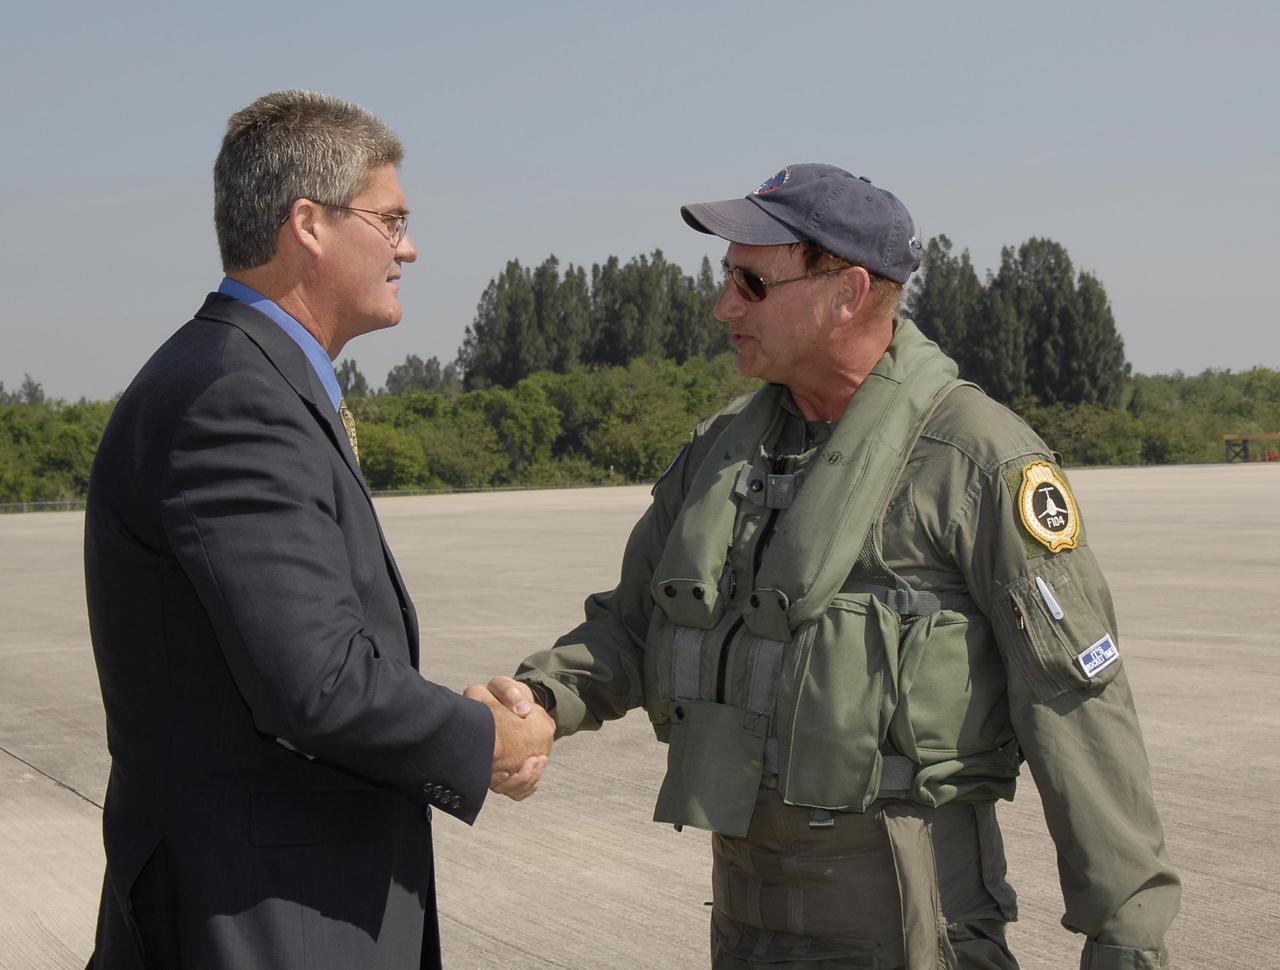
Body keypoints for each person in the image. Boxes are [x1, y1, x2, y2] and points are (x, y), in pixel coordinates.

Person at [479, 164, 1180, 969]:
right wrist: (535, 700)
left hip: (911, 924)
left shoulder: (977, 463)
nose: (724, 306)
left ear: (847, 292)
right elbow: (633, 626)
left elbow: (1078, 707)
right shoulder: (719, 457)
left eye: (751, 281)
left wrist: (1124, 941)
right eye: (725, 278)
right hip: (748, 917)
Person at [83, 89, 553, 970]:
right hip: (261, 920)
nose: (408, 246)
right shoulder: (235, 398)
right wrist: (489, 737)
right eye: (391, 219)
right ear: (309, 223)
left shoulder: (248, 379)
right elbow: (319, 684)